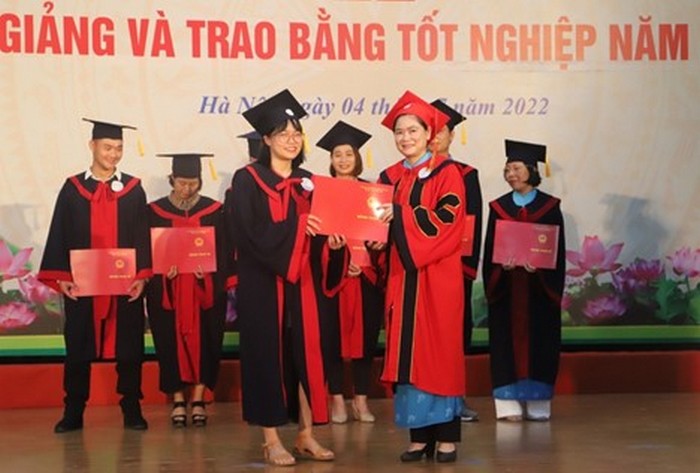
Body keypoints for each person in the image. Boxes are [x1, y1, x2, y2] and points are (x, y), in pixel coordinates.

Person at [229, 89, 348, 466]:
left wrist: (334, 243)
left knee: (307, 357)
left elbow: (323, 231)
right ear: (266, 139)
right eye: (283, 134)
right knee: (268, 357)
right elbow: (246, 233)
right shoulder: (247, 180)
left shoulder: (311, 181)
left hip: (307, 286)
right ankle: (270, 440)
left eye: (297, 133)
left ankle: (306, 435)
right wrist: (297, 227)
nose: (292, 140)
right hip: (264, 286)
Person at [38, 118, 151, 432]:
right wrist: (62, 276)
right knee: (78, 348)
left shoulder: (133, 190)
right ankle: (73, 411)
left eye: (118, 148)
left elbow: (142, 234)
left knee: (130, 348)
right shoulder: (73, 189)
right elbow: (59, 232)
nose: (113, 154)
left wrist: (142, 275)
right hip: (83, 285)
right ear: (92, 146)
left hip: (123, 285)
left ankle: (132, 407)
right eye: (107, 147)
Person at [377, 91, 466, 463]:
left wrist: (401, 215)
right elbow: (379, 228)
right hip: (403, 278)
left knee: (439, 353)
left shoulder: (448, 173)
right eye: (399, 132)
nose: (405, 137)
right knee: (408, 355)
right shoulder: (391, 177)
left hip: (437, 277)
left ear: (430, 133)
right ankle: (418, 437)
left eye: (413, 130)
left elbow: (448, 222)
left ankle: (446, 437)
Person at [482, 139, 565, 422]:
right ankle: (507, 404)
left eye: (516, 168)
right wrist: (500, 267)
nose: (511, 174)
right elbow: (490, 250)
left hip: (538, 292)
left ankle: (538, 401)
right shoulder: (499, 207)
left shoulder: (550, 207)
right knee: (505, 344)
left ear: (532, 170)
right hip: (507, 291)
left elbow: (557, 253)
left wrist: (540, 269)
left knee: (541, 342)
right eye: (507, 170)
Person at [146, 153, 228, 428]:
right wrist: (162, 274)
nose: (187, 188)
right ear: (172, 179)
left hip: (205, 291)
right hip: (168, 291)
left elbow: (223, 251)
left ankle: (199, 399)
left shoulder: (214, 211)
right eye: (182, 182)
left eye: (193, 183)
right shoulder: (154, 212)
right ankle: (178, 399)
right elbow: (148, 251)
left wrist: (208, 273)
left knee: (208, 340)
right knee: (169, 341)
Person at [315, 120, 385, 424]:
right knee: (331, 340)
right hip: (334, 280)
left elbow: (381, 235)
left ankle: (360, 401)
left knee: (365, 341)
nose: (343, 159)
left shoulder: (372, 192)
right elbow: (316, 239)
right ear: (331, 160)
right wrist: (334, 253)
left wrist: (376, 249)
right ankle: (337, 401)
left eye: (348, 154)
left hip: (366, 277)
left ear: (357, 156)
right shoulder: (322, 193)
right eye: (337, 155)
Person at [431, 99, 483, 423]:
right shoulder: (408, 174)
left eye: (442, 131)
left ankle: (455, 400)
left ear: (452, 135)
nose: (435, 137)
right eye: (430, 130)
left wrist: (465, 270)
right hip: (421, 270)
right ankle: (424, 404)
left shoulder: (466, 175)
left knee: (454, 334)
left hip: (453, 270)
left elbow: (471, 223)